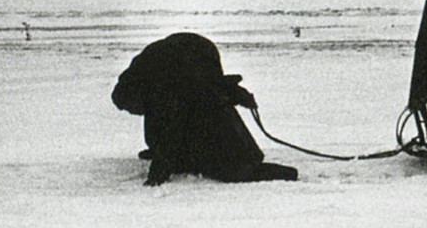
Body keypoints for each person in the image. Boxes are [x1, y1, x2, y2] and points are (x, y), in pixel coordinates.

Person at [112, 33, 299, 185]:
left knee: (230, 168)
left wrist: (159, 170)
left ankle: (270, 169)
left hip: (192, 56)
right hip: (193, 50)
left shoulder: (159, 89)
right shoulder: (141, 78)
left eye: (130, 110)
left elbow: (171, 127)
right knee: (189, 104)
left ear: (133, 98)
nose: (134, 113)